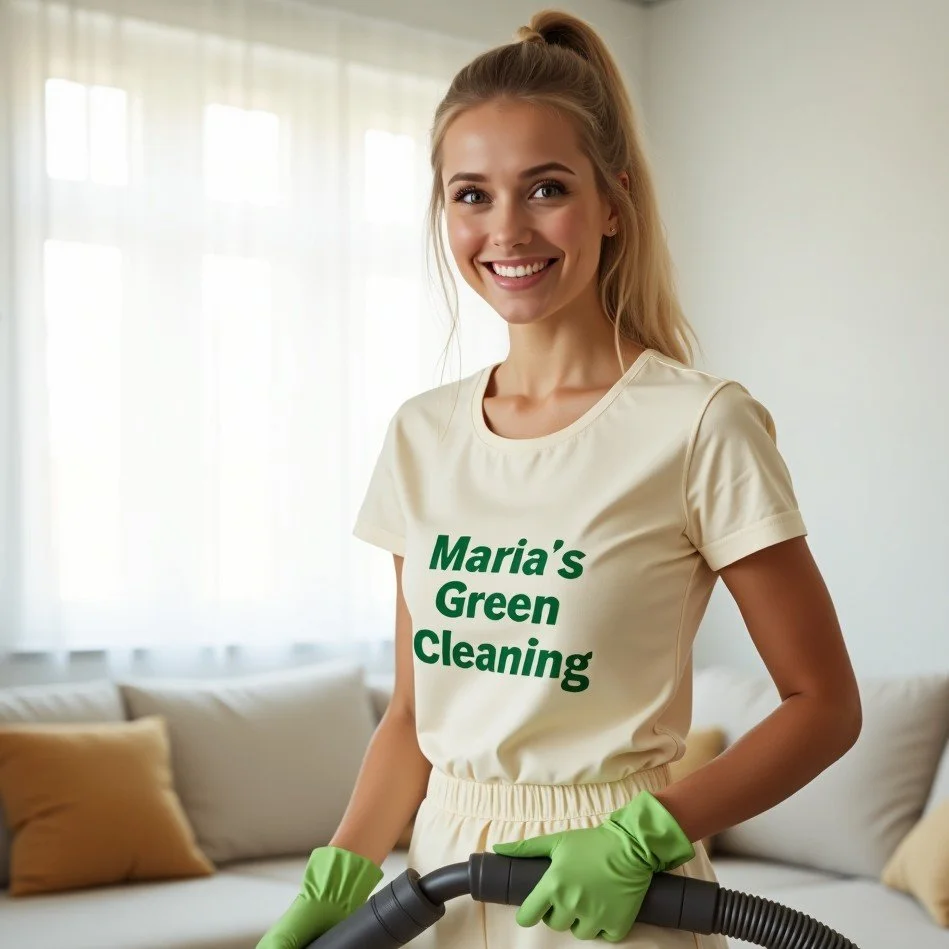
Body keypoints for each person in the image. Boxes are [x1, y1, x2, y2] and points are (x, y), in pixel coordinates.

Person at [256, 9, 863, 949]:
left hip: (617, 897)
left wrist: (643, 834)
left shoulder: (699, 423)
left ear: (612, 200)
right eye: (471, 195)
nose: (506, 229)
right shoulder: (421, 435)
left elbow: (822, 706)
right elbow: (416, 714)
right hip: (438, 889)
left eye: (545, 188)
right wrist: (343, 868)